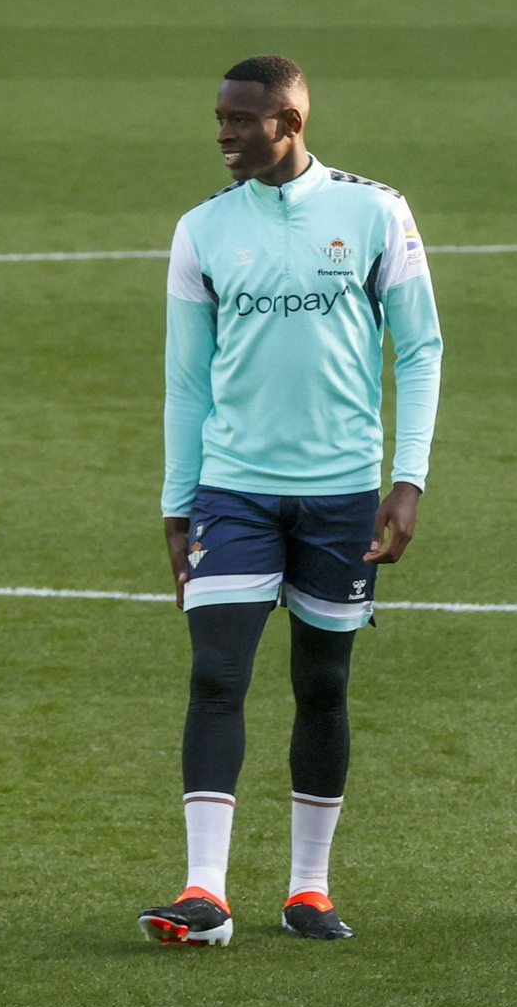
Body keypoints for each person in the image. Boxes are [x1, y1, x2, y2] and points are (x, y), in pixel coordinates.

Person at [137, 55, 444, 945]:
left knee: (322, 683)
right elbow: (185, 382)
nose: (223, 132)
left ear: (291, 121)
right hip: (233, 491)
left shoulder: (376, 212)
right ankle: (206, 893)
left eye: (241, 119)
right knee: (216, 673)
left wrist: (408, 478)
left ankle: (308, 889)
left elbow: (420, 351)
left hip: (342, 495)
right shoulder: (201, 230)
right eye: (219, 117)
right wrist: (177, 500)